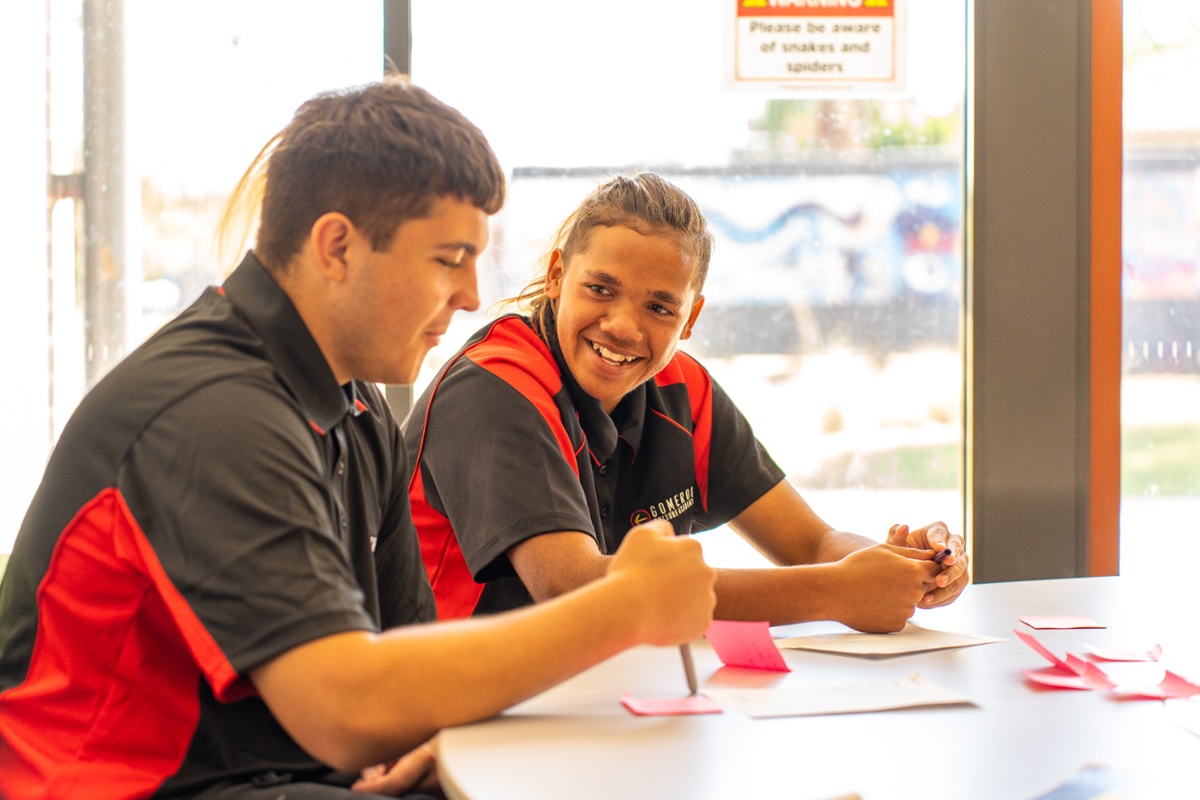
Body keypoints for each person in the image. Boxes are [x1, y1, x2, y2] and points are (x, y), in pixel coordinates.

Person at [0, 82, 716, 800]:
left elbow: (407, 654)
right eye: (449, 257)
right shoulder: (214, 414)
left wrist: (440, 735)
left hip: (276, 775)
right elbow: (345, 709)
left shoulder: (358, 408)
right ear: (336, 246)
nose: (472, 294)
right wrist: (624, 606)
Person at [405, 172, 969, 632]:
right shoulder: (494, 387)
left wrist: (905, 567)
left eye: (659, 307)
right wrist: (837, 590)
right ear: (556, 277)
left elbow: (811, 541)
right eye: (599, 289)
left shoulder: (684, 390)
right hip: (445, 720)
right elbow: (575, 588)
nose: (623, 326)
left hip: (592, 697)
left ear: (691, 319)